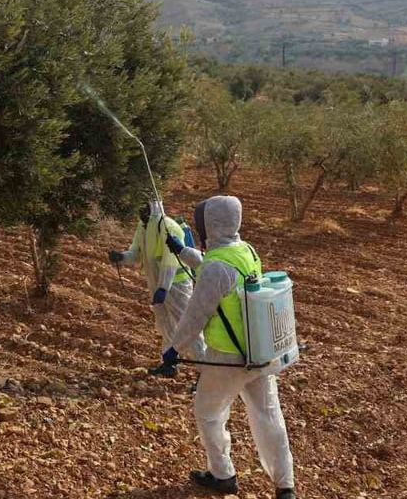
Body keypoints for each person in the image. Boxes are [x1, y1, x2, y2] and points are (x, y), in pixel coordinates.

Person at [159, 196, 296, 499]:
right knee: (268, 414)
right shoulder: (245, 250)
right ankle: (285, 485)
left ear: (212, 225)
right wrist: (183, 251)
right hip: (258, 351)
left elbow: (196, 313)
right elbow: (218, 268)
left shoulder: (216, 267)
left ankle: (222, 475)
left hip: (227, 357)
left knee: (208, 412)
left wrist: (172, 350)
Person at [108, 201, 204, 375]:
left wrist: (164, 288)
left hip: (177, 286)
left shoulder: (167, 227)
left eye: (144, 207)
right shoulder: (143, 227)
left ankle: (206, 371)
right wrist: (121, 257)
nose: (141, 211)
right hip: (157, 286)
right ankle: (169, 364)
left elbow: (170, 261)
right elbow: (136, 253)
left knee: (188, 326)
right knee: (165, 325)